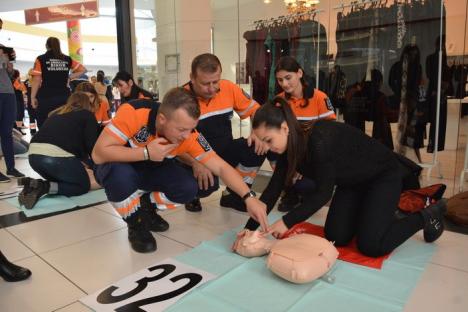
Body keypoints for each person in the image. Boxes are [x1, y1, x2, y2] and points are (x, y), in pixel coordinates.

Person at [237, 96, 447, 258]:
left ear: (284, 128)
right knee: (336, 236)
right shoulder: (286, 148)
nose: (264, 148)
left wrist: (286, 222)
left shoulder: (318, 141)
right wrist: (249, 230)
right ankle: (374, 214)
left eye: (267, 140)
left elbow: (323, 193)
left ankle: (428, 215)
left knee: (371, 245)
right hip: (351, 182)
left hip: (382, 175)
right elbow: (273, 190)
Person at [92, 87, 268, 253]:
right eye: (182, 129)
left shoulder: (190, 135)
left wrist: (248, 197)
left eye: (191, 129)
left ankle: (146, 206)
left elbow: (221, 167)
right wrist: (145, 152)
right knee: (120, 177)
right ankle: (135, 222)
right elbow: (98, 154)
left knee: (189, 188)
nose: (186, 135)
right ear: (162, 119)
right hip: (116, 165)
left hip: (152, 166)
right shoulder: (134, 112)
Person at [181, 53, 268, 212]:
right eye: (206, 83)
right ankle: (193, 196)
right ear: (192, 78)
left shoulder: (228, 88)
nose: (212, 88)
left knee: (258, 145)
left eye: (216, 81)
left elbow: (257, 110)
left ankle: (234, 194)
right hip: (196, 156)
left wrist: (257, 131)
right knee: (208, 186)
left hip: (224, 149)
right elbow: (172, 143)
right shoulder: (180, 98)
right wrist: (195, 163)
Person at [273, 56, 336, 212]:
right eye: (280, 80)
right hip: (289, 154)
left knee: (309, 187)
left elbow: (330, 132)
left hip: (313, 153)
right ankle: (289, 192)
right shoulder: (278, 100)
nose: (284, 84)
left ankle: (303, 190)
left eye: (288, 78)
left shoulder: (320, 97)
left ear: (299, 73)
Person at [18, 92, 100, 209]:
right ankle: (44, 187)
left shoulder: (55, 113)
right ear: (88, 104)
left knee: (62, 181)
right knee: (82, 186)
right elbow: (92, 147)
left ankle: (35, 186)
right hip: (54, 158)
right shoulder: (87, 115)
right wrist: (98, 167)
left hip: (33, 158)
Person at [30, 37, 87, 127]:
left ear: (47, 46)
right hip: (64, 97)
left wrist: (32, 97)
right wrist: (68, 77)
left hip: (46, 97)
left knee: (45, 124)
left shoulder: (41, 59)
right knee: (62, 124)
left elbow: (37, 79)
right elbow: (83, 70)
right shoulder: (67, 59)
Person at [0, 17, 25, 182]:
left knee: (6, 132)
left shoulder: (2, 48)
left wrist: (9, 65)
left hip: (8, 93)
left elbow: (8, 74)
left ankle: (10, 167)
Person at [24, 69, 38, 134]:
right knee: (39, 116)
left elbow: (24, 91)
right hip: (37, 101)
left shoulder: (26, 82)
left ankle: (32, 131)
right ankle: (40, 130)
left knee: (31, 117)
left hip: (30, 101)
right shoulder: (39, 80)